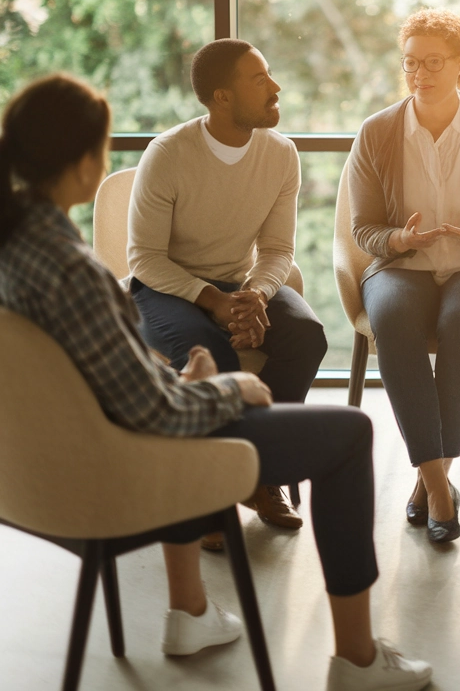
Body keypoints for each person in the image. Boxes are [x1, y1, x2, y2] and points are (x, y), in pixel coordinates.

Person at [0, 74, 432, 691]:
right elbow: (158, 414)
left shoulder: (17, 248)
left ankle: (192, 612)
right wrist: (231, 390)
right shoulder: (72, 270)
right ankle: (359, 660)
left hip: (36, 478)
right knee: (350, 433)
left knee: (236, 356)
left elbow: (97, 376)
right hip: (121, 465)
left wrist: (200, 362)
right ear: (82, 163)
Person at [128, 39, 327, 535]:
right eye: (259, 80)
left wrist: (255, 296)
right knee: (210, 352)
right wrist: (213, 301)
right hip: (166, 289)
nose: (275, 87)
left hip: (239, 284)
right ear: (221, 97)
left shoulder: (281, 154)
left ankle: (263, 476)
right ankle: (209, 493)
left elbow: (279, 250)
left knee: (307, 335)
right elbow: (144, 259)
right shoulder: (168, 154)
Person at [348, 8, 460, 543]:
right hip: (402, 267)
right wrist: (399, 240)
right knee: (392, 319)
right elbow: (363, 229)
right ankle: (438, 487)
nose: (419, 74)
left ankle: (433, 481)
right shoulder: (377, 132)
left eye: (433, 62)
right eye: (410, 63)